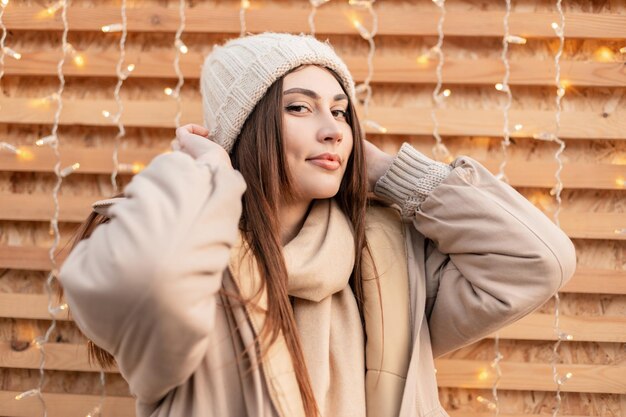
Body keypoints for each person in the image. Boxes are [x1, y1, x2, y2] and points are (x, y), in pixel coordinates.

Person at [58, 33, 577, 417]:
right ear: (245, 129)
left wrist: (389, 172)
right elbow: (150, 279)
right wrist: (210, 174)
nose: (333, 130)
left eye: (341, 112)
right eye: (301, 107)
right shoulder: (193, 258)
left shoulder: (387, 260)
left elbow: (538, 261)